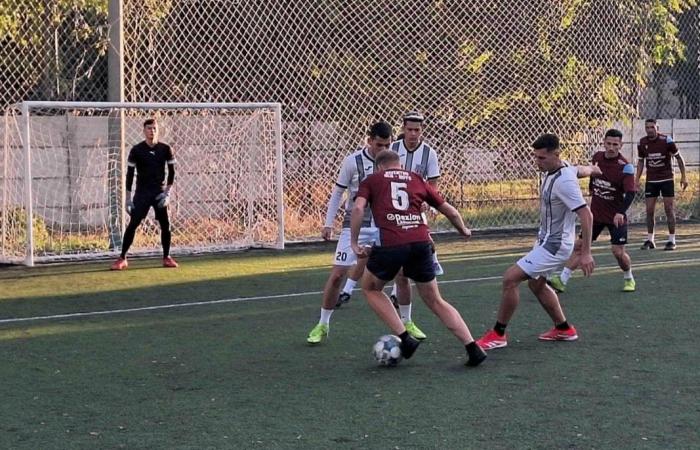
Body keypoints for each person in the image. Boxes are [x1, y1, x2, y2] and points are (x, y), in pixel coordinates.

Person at [350, 150, 486, 366]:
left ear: (379, 167)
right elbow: (449, 211)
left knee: (370, 288)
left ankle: (405, 338)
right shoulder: (416, 178)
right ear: (400, 165)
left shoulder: (372, 180)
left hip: (391, 243)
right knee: (435, 300)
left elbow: (358, 208)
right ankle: (473, 348)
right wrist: (463, 230)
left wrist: (354, 242)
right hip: (421, 242)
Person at [306, 121, 426, 344]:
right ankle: (322, 324)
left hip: (386, 226)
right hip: (356, 226)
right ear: (369, 140)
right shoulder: (352, 162)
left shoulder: (394, 161)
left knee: (402, 274)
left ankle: (407, 321)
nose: (383, 149)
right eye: (379, 145)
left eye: (387, 145)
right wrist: (328, 223)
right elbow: (338, 192)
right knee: (337, 275)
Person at [476, 133, 596, 350]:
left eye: (542, 158)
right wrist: (594, 169)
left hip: (555, 246)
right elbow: (581, 169)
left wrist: (586, 253)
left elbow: (586, 215)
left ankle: (498, 334)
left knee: (510, 279)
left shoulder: (565, 182)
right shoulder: (563, 168)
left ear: (556, 154)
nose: (537, 162)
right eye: (536, 157)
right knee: (536, 284)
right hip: (545, 241)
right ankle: (564, 329)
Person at [549, 129, 637, 293]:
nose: (611, 148)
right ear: (604, 143)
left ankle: (628, 277)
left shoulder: (626, 167)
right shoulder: (597, 157)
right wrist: (591, 189)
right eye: (608, 143)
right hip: (595, 215)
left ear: (621, 145)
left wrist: (620, 212)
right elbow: (593, 176)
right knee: (579, 246)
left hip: (615, 217)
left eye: (615, 144)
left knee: (618, 252)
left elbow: (631, 193)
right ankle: (562, 280)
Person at [110, 119, 178, 270]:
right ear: (144, 130)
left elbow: (172, 172)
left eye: (154, 128)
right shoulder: (136, 150)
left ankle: (167, 257)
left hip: (159, 193)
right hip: (142, 193)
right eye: (149, 128)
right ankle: (122, 258)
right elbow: (129, 175)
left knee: (165, 224)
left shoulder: (165, 149)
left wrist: (167, 193)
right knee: (133, 224)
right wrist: (128, 199)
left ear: (157, 130)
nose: (152, 131)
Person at [635, 119, 688, 250]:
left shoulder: (667, 141)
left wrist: (684, 176)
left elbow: (679, 158)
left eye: (652, 127)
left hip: (666, 180)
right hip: (651, 181)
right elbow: (641, 161)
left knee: (669, 209)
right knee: (649, 210)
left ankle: (672, 240)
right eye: (647, 127)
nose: (649, 130)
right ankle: (650, 240)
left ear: (657, 128)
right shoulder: (642, 143)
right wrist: (636, 180)